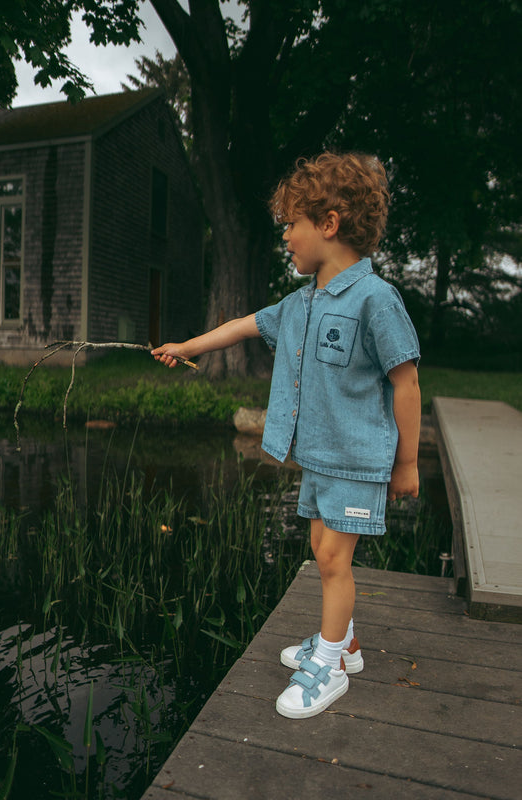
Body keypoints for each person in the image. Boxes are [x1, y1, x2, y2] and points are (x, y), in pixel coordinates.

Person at [152, 152, 421, 720]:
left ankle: (326, 667)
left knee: (330, 558)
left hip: (358, 456)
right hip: (319, 457)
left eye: (291, 224)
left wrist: (407, 463)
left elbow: (406, 380)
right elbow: (243, 325)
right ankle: (342, 645)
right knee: (320, 550)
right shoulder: (300, 304)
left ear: (328, 223)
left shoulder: (376, 301)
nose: (285, 237)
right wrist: (186, 346)